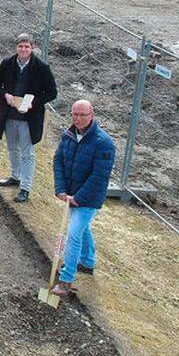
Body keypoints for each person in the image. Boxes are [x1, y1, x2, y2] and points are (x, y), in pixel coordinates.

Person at [51, 100, 115, 297]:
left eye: (82, 115)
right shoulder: (68, 135)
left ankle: (66, 279)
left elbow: (99, 176)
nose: (78, 119)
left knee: (73, 235)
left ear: (92, 115)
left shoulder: (104, 143)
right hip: (71, 193)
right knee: (83, 228)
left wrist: (79, 197)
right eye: (75, 114)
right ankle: (87, 262)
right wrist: (61, 189)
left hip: (87, 199)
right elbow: (58, 161)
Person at [0, 33, 58, 203]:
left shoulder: (42, 68)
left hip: (29, 118)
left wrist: (34, 102)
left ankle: (25, 188)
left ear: (32, 48)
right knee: (12, 148)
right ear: (16, 47)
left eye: (27, 46)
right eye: (20, 46)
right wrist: (5, 95)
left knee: (28, 153)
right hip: (9, 115)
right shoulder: (7, 63)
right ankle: (15, 176)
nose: (23, 49)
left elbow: (52, 92)